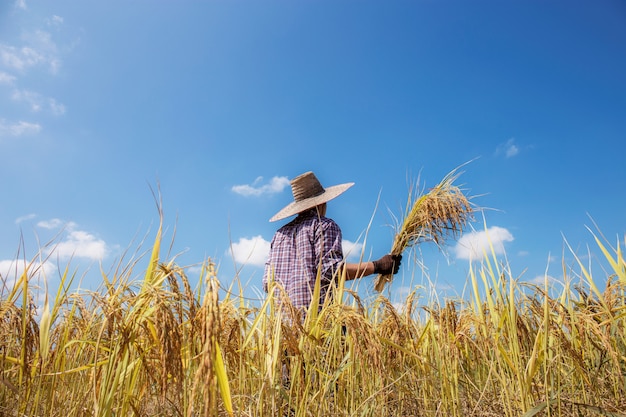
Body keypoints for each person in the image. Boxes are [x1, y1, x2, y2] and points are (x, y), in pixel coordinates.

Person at [263, 171, 401, 318]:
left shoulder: (279, 236)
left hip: (283, 329)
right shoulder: (324, 225)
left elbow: (267, 283)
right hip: (318, 322)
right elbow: (331, 271)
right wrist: (378, 266)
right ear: (323, 202)